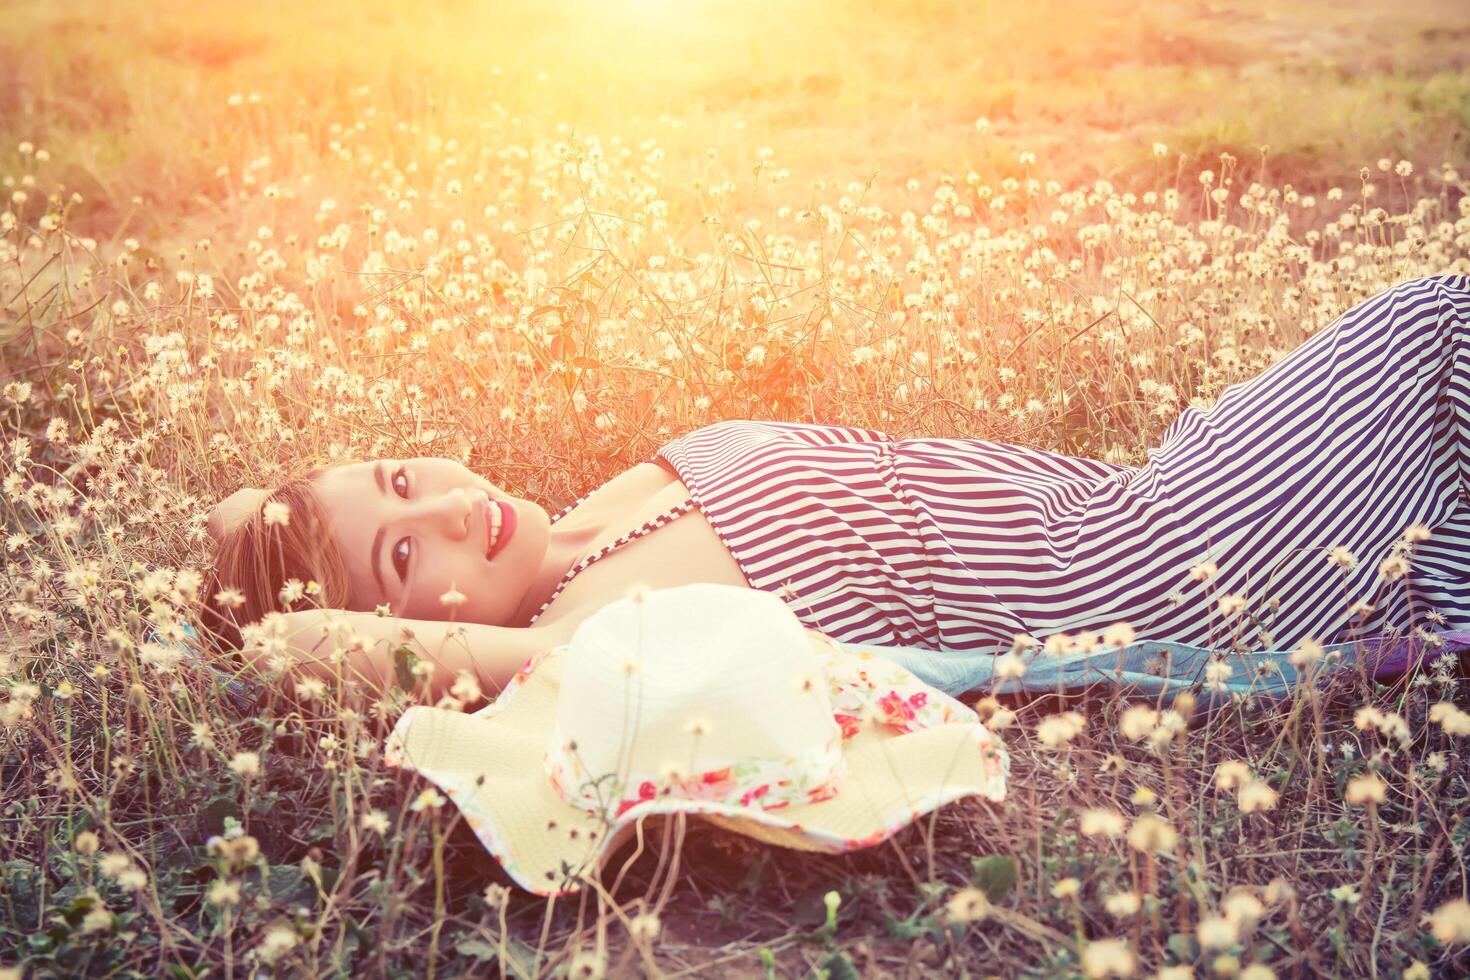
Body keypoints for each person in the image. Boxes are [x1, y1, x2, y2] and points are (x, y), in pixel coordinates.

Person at [202, 274, 1470, 701]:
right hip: (1172, 560)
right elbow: (323, 646)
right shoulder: (581, 642)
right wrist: (318, 637)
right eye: (404, 560)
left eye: (398, 479)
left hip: (1136, 494)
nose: (438, 510)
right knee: (1436, 332)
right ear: (407, 623)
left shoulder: (593, 518)